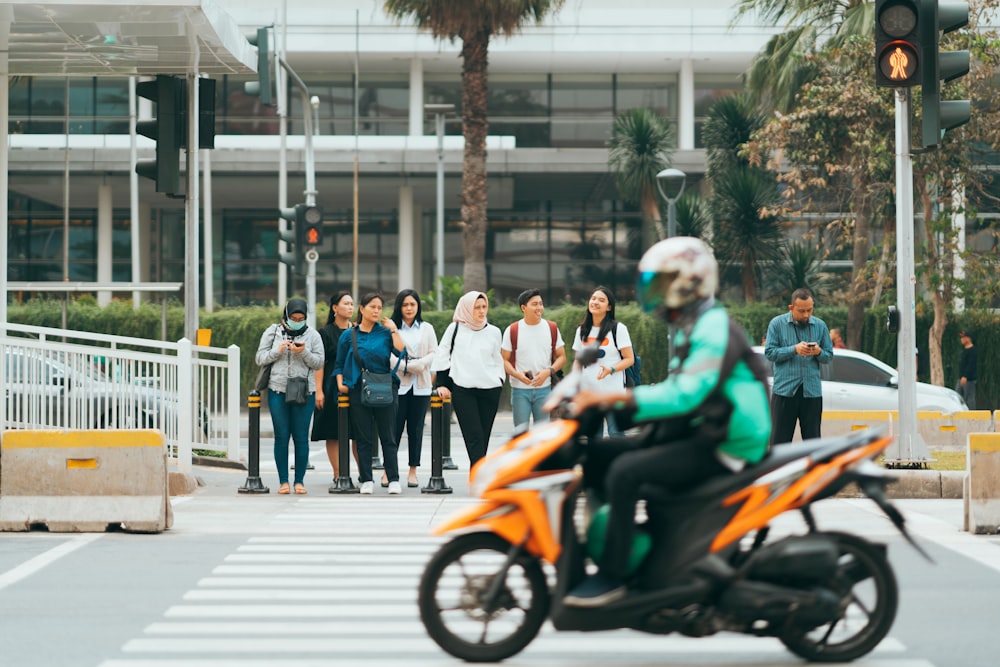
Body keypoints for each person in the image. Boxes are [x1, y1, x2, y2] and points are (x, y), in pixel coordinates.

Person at [561, 237, 771, 606]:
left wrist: (615, 397)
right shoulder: (695, 325)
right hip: (701, 430)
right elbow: (679, 393)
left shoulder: (712, 327)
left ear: (688, 284)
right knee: (595, 456)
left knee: (626, 471)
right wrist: (614, 409)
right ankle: (622, 542)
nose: (654, 295)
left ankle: (615, 575)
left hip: (725, 443)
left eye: (661, 285)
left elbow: (688, 394)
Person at [333, 293, 406, 495]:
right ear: (362, 309)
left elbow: (402, 352)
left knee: (388, 436)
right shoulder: (349, 335)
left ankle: (393, 479)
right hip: (359, 389)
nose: (376, 311)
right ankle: (366, 478)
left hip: (384, 386)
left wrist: (394, 330)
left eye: (379, 307)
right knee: (363, 437)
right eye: (372, 307)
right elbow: (339, 364)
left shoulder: (385, 332)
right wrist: (341, 384)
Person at [255, 298, 325, 495]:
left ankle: (299, 481)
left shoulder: (313, 335)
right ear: (286, 316)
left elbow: (319, 363)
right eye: (293, 318)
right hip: (277, 390)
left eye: (301, 318)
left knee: (301, 437)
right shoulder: (273, 331)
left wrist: (303, 353)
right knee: (281, 436)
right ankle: (283, 481)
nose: (297, 321)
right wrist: (277, 351)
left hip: (304, 391)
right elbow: (260, 358)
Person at [431, 291, 505, 469]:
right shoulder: (455, 328)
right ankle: (479, 473)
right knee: (473, 435)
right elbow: (443, 355)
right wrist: (442, 384)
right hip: (463, 389)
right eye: (476, 307)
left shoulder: (494, 332)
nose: (481, 311)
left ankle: (477, 473)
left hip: (490, 389)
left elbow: (497, 359)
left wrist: (500, 379)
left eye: (484, 307)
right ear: (466, 309)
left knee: (484, 435)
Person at [382, 289, 438, 488]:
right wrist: (406, 367)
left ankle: (413, 470)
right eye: (405, 304)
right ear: (399, 306)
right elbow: (386, 354)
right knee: (393, 429)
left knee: (416, 429)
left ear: (418, 306)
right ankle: (389, 471)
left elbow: (434, 353)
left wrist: (418, 365)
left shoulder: (427, 328)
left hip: (421, 386)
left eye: (412, 304)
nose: (408, 308)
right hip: (399, 385)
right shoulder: (391, 328)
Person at [764, 288, 833, 444]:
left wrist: (818, 351)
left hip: (811, 392)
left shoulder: (820, 326)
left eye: (809, 310)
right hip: (784, 391)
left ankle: (813, 469)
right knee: (779, 441)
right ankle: (780, 469)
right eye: (801, 311)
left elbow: (828, 356)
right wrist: (794, 349)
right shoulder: (776, 324)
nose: (806, 315)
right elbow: (769, 353)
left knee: (813, 442)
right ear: (791, 308)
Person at [570, 286, 635, 437]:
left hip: (613, 395)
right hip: (590, 396)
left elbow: (629, 359)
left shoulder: (618, 329)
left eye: (601, 300)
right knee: (594, 439)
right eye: (593, 299)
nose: (595, 302)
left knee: (616, 436)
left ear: (609, 307)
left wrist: (610, 369)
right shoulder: (581, 330)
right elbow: (578, 361)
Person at [502, 288, 567, 431]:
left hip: (544, 389)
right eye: (535, 304)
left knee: (542, 434)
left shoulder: (551, 328)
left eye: (541, 304)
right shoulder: (513, 330)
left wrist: (548, 372)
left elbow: (562, 357)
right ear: (523, 308)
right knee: (520, 433)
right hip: (519, 390)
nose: (539, 308)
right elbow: (504, 360)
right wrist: (516, 374)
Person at [311, 291, 358, 481]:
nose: (350, 307)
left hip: (354, 385)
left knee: (358, 432)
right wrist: (319, 390)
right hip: (331, 386)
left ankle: (364, 473)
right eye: (346, 303)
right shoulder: (325, 333)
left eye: (352, 304)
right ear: (335, 308)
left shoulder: (358, 330)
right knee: (334, 432)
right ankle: (338, 473)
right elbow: (320, 364)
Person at [957, 330, 977, 410]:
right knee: (957, 395)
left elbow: (971, 365)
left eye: (963, 337)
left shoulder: (973, 350)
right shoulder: (964, 350)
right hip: (961, 378)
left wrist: (965, 376)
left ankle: (972, 414)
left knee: (969, 397)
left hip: (969, 379)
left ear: (968, 338)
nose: (961, 339)